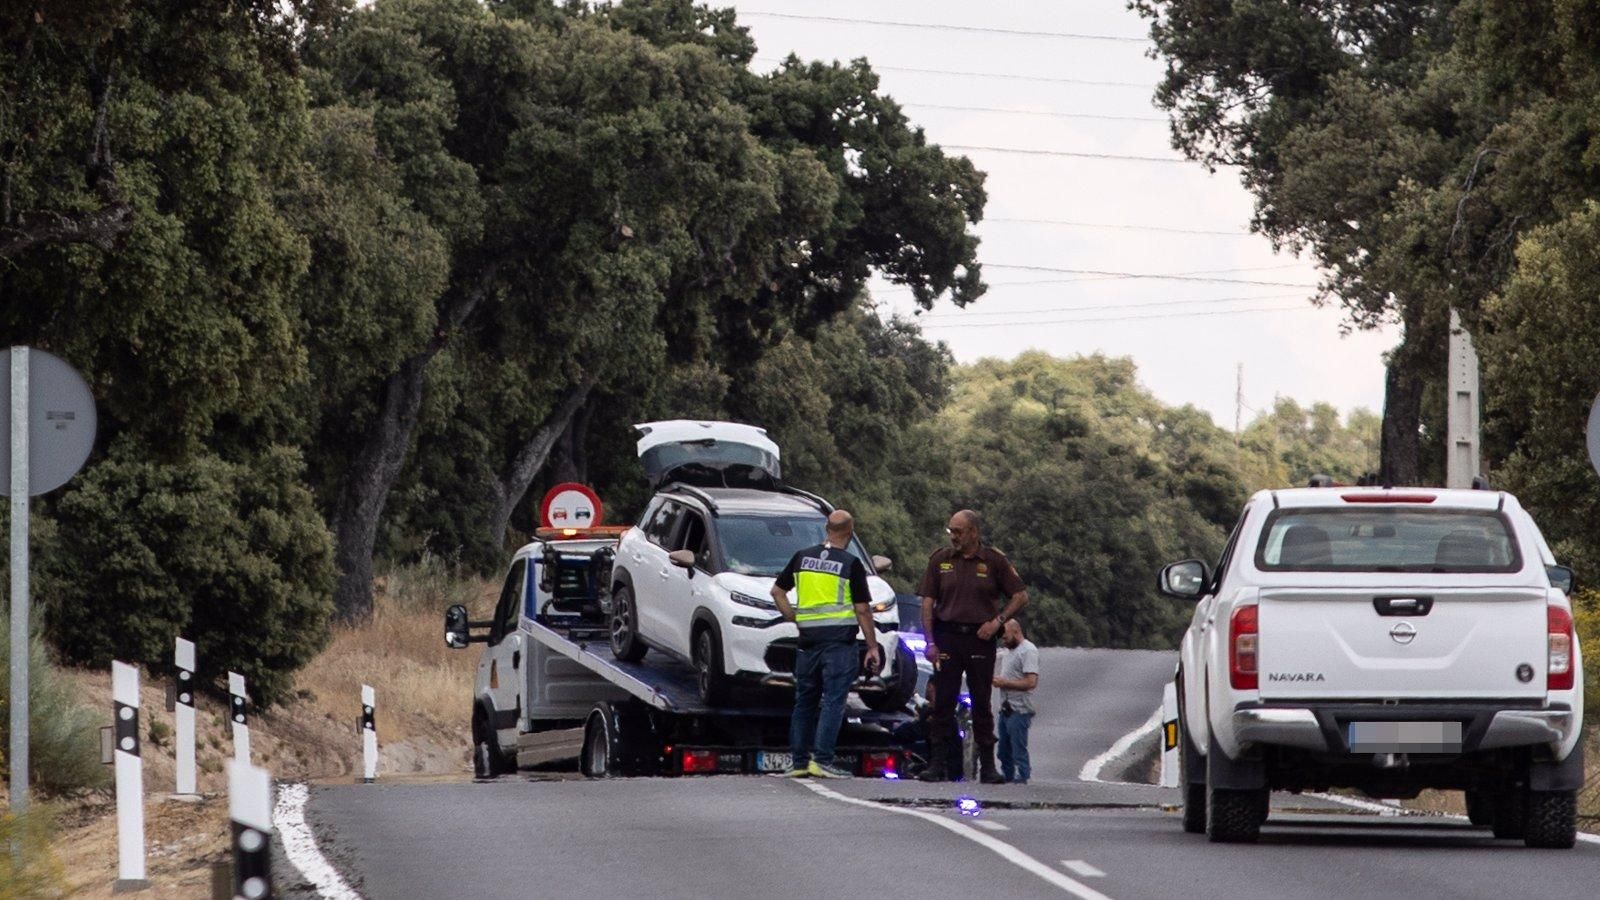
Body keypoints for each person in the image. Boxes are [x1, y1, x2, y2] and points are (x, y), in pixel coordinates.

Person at [917, 510, 1028, 784]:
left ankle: (988, 765)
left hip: (979, 638)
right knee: (943, 701)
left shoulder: (993, 561)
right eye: (950, 531)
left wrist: (997, 622)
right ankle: (937, 763)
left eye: (958, 531)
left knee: (981, 701)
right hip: (948, 636)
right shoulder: (941, 559)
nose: (953, 536)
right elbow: (928, 603)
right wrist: (929, 641)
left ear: (974, 532)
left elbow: (1020, 595)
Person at [770, 510, 882, 778]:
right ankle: (822, 761)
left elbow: (777, 592)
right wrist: (873, 646)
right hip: (838, 644)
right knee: (833, 700)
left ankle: (798, 763)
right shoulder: (850, 563)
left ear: (826, 529)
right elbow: (863, 609)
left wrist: (793, 617)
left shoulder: (802, 557)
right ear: (851, 532)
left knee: (804, 701)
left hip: (807, 642)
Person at [993, 619, 1040, 784]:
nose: (1003, 641)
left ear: (1015, 632)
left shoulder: (1028, 651)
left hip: (1020, 709)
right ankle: (1008, 776)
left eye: (1005, 637)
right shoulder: (1008, 652)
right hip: (1006, 708)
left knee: (1018, 748)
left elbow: (1030, 682)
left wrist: (1005, 683)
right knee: (1003, 750)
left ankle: (1023, 776)